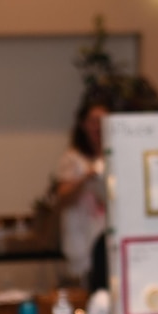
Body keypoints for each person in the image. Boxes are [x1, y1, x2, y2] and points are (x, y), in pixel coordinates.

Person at [50, 100, 112, 283]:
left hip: (109, 232)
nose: (98, 127)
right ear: (84, 125)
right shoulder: (72, 158)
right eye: (94, 121)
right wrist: (86, 177)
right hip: (83, 234)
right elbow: (62, 196)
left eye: (103, 121)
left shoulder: (116, 154)